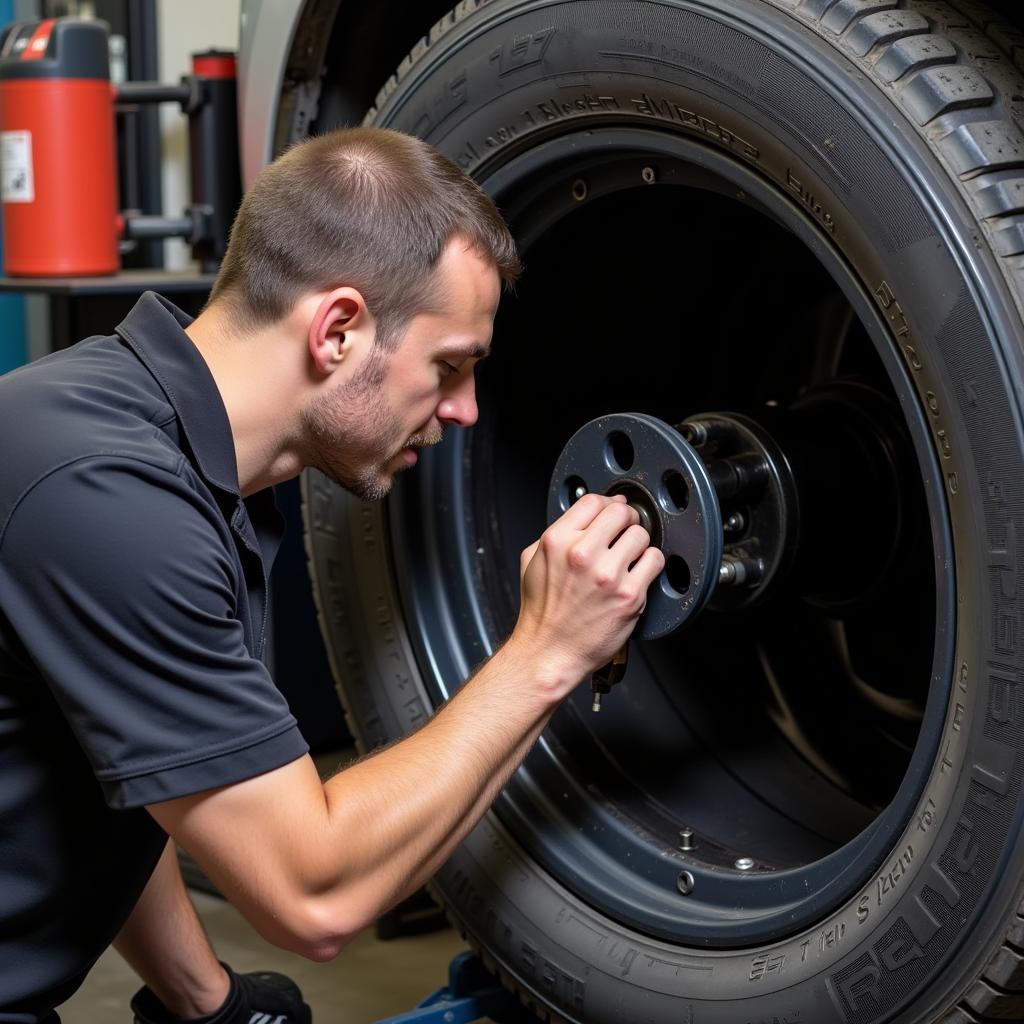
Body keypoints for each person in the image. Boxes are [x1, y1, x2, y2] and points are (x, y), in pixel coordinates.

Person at [0, 127, 664, 1022]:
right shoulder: (110, 500)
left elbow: (130, 759)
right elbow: (312, 896)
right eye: (450, 366)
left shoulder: (123, 430)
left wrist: (206, 1000)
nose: (466, 410)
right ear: (338, 329)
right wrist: (548, 650)